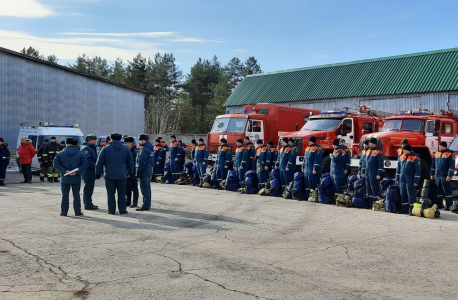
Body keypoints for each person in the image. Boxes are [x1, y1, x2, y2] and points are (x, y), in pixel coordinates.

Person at [96, 133, 134, 215]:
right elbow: (130, 162)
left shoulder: (105, 149)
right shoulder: (126, 149)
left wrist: (98, 173)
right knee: (122, 193)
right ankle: (122, 210)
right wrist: (131, 172)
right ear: (121, 139)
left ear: (110, 138)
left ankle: (111, 210)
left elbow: (99, 162)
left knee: (110, 193)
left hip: (109, 175)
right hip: (122, 175)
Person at [53, 137, 88, 216]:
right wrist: (77, 171)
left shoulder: (61, 153)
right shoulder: (80, 153)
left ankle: (64, 212)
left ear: (66, 143)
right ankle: (77, 212)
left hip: (65, 177)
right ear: (76, 144)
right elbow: (85, 164)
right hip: (76, 177)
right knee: (76, 194)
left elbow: (55, 163)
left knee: (65, 195)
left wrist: (65, 171)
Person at [396, 144, 420, 215]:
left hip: (410, 179)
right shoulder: (402, 157)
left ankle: (412, 210)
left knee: (411, 194)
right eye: (403, 150)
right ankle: (404, 209)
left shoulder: (415, 158)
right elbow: (398, 169)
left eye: (405, 150)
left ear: (409, 150)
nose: (403, 151)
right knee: (403, 193)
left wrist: (416, 181)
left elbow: (418, 170)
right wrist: (397, 178)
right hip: (402, 179)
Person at [430, 141, 454, 210]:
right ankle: (439, 204)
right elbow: (433, 165)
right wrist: (432, 174)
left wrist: (449, 175)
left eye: (440, 146)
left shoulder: (450, 154)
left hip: (445, 176)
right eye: (439, 146)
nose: (439, 147)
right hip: (437, 176)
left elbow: (451, 166)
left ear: (444, 146)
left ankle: (449, 205)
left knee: (447, 191)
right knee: (438, 191)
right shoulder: (437, 154)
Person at [80, 134, 99, 210]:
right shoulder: (86, 149)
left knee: (90, 188)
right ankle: (87, 204)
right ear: (89, 140)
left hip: (91, 171)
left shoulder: (91, 148)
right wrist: (96, 166)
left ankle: (89, 202)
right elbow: (87, 160)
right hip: (88, 171)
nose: (95, 141)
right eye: (94, 140)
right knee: (88, 188)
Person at [136, 134, 154, 211]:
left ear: (143, 140)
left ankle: (146, 205)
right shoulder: (150, 148)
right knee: (147, 188)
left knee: (144, 189)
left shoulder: (144, 149)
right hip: (148, 170)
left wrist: (138, 172)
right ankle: (147, 204)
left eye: (140, 140)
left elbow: (141, 162)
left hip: (144, 171)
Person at [365, 137, 384, 207]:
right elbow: (365, 162)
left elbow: (380, 164)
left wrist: (379, 174)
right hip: (367, 173)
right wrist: (363, 172)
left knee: (374, 188)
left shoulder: (378, 152)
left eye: (370, 142)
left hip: (374, 173)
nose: (369, 144)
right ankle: (369, 204)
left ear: (374, 143)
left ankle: (375, 203)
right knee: (368, 188)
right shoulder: (368, 151)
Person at [124, 136, 139, 207]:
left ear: (131, 143)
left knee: (134, 188)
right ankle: (128, 201)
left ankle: (135, 202)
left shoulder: (135, 151)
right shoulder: (124, 150)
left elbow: (135, 162)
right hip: (125, 172)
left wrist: (132, 171)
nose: (125, 144)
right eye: (125, 143)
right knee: (127, 188)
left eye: (127, 143)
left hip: (133, 172)